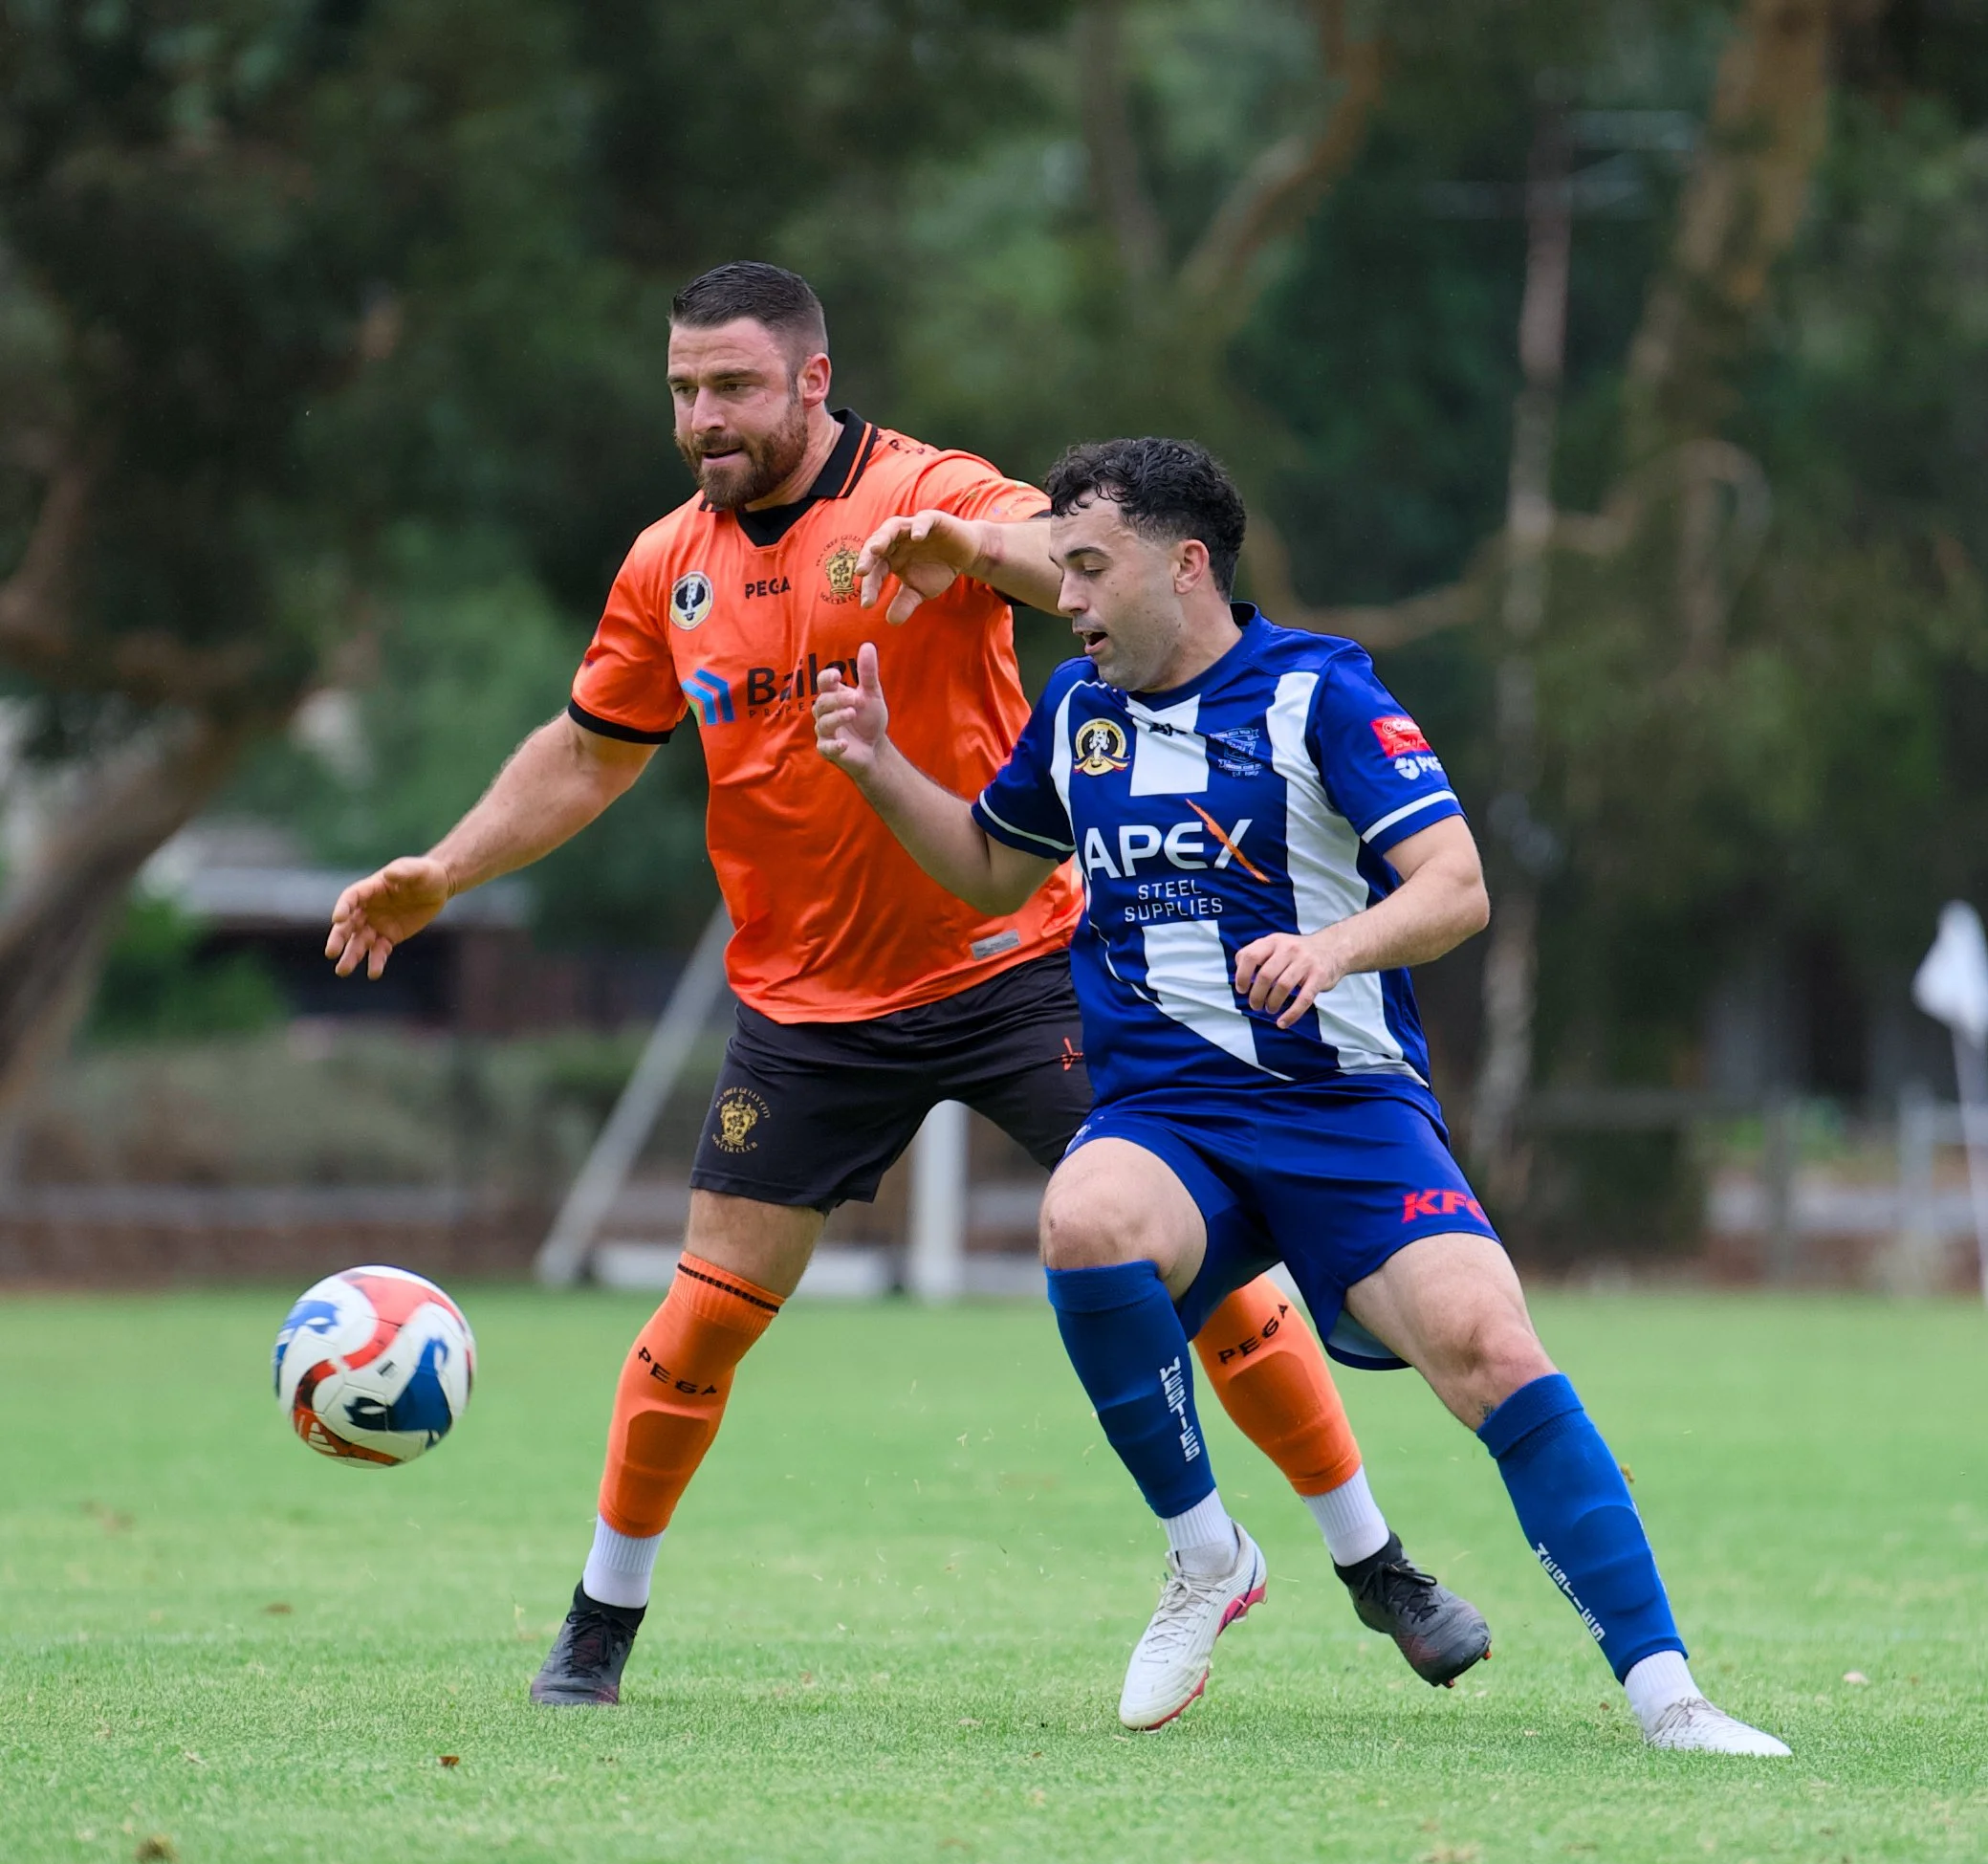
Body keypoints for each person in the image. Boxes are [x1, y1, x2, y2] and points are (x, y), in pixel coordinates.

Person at [323, 263, 1489, 1711]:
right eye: (684, 388)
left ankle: (1376, 1567)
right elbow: (589, 749)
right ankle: (598, 1624)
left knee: (1203, 1278)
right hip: (806, 1006)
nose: (704, 416)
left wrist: (956, 544)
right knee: (700, 1320)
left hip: (1024, 963)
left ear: (811, 379)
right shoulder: (661, 565)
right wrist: (444, 869)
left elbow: (1065, 555)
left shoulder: (919, 485)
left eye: (734, 385)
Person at [813, 432, 1791, 1750]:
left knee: (1492, 1350)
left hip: (1342, 1107)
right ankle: (1203, 1551)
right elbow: (994, 869)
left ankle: (1667, 1695)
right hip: (1165, 1115)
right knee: (1084, 1216)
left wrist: (1331, 947)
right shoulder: (1077, 713)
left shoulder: (1321, 693)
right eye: (1062, 570)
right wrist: (876, 762)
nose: (1072, 601)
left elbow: (1454, 888)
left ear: (1188, 565)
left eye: (1090, 568)